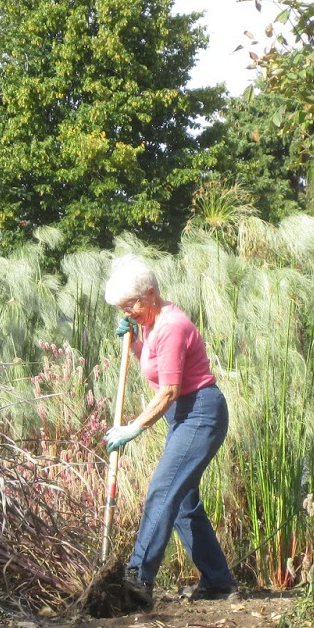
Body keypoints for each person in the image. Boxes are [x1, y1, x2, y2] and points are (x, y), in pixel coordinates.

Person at [102, 253, 238, 607]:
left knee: (163, 491)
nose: (127, 312)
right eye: (122, 308)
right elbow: (157, 365)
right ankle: (218, 581)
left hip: (200, 414)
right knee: (182, 503)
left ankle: (137, 580)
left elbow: (168, 391)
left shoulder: (172, 326)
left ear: (150, 293)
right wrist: (135, 343)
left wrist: (133, 427)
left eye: (130, 305)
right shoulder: (151, 322)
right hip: (184, 416)